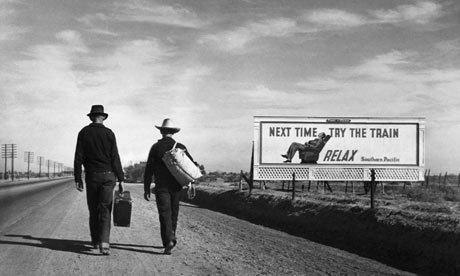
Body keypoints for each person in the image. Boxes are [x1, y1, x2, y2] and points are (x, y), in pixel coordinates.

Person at [74, 105, 124, 255]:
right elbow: (115, 157)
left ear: (91, 117)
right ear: (103, 117)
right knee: (105, 209)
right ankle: (104, 243)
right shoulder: (109, 133)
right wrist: (121, 178)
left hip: (93, 176)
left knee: (93, 209)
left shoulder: (84, 132)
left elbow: (78, 157)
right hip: (109, 176)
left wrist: (78, 178)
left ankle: (95, 241)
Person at [143, 118, 198, 255]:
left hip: (162, 186)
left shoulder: (156, 147)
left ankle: (168, 240)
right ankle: (171, 237)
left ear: (161, 131)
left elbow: (149, 169)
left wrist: (146, 188)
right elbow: (191, 164)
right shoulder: (180, 146)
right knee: (174, 213)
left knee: (164, 213)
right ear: (173, 132)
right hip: (177, 186)